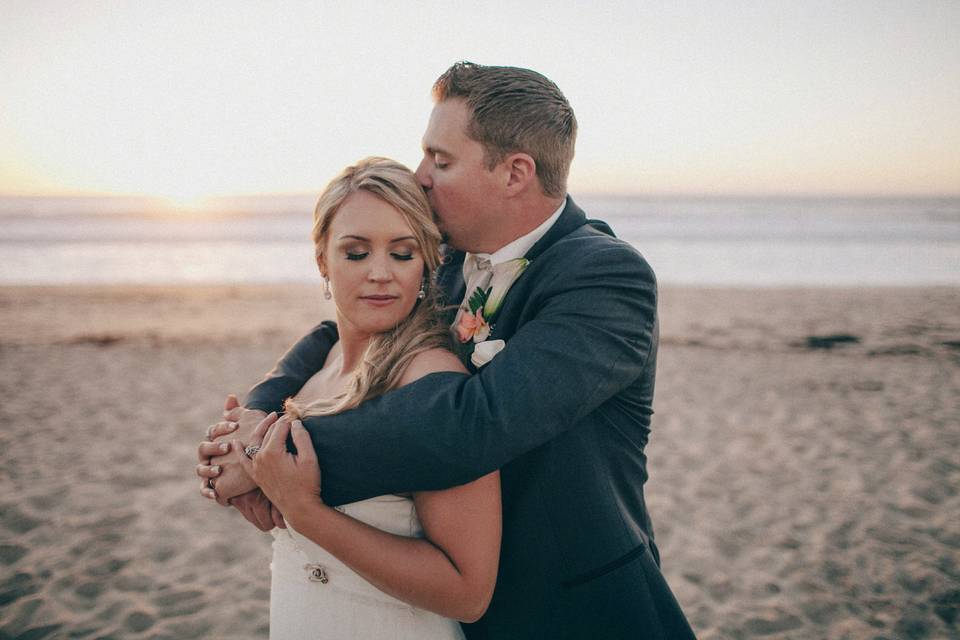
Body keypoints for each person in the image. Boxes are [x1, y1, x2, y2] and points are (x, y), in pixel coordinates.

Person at [200, 62, 694, 638]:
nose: (421, 176)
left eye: (441, 159)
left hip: (578, 609)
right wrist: (258, 410)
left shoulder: (605, 276)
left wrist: (271, 461)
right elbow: (337, 334)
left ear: (515, 172)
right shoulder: (449, 262)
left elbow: (470, 427)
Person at [203, 156, 501, 639]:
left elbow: (467, 593)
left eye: (402, 254)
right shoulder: (313, 368)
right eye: (356, 253)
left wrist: (305, 513)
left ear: (426, 262)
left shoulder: (433, 383)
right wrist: (223, 464)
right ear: (323, 259)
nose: (380, 273)